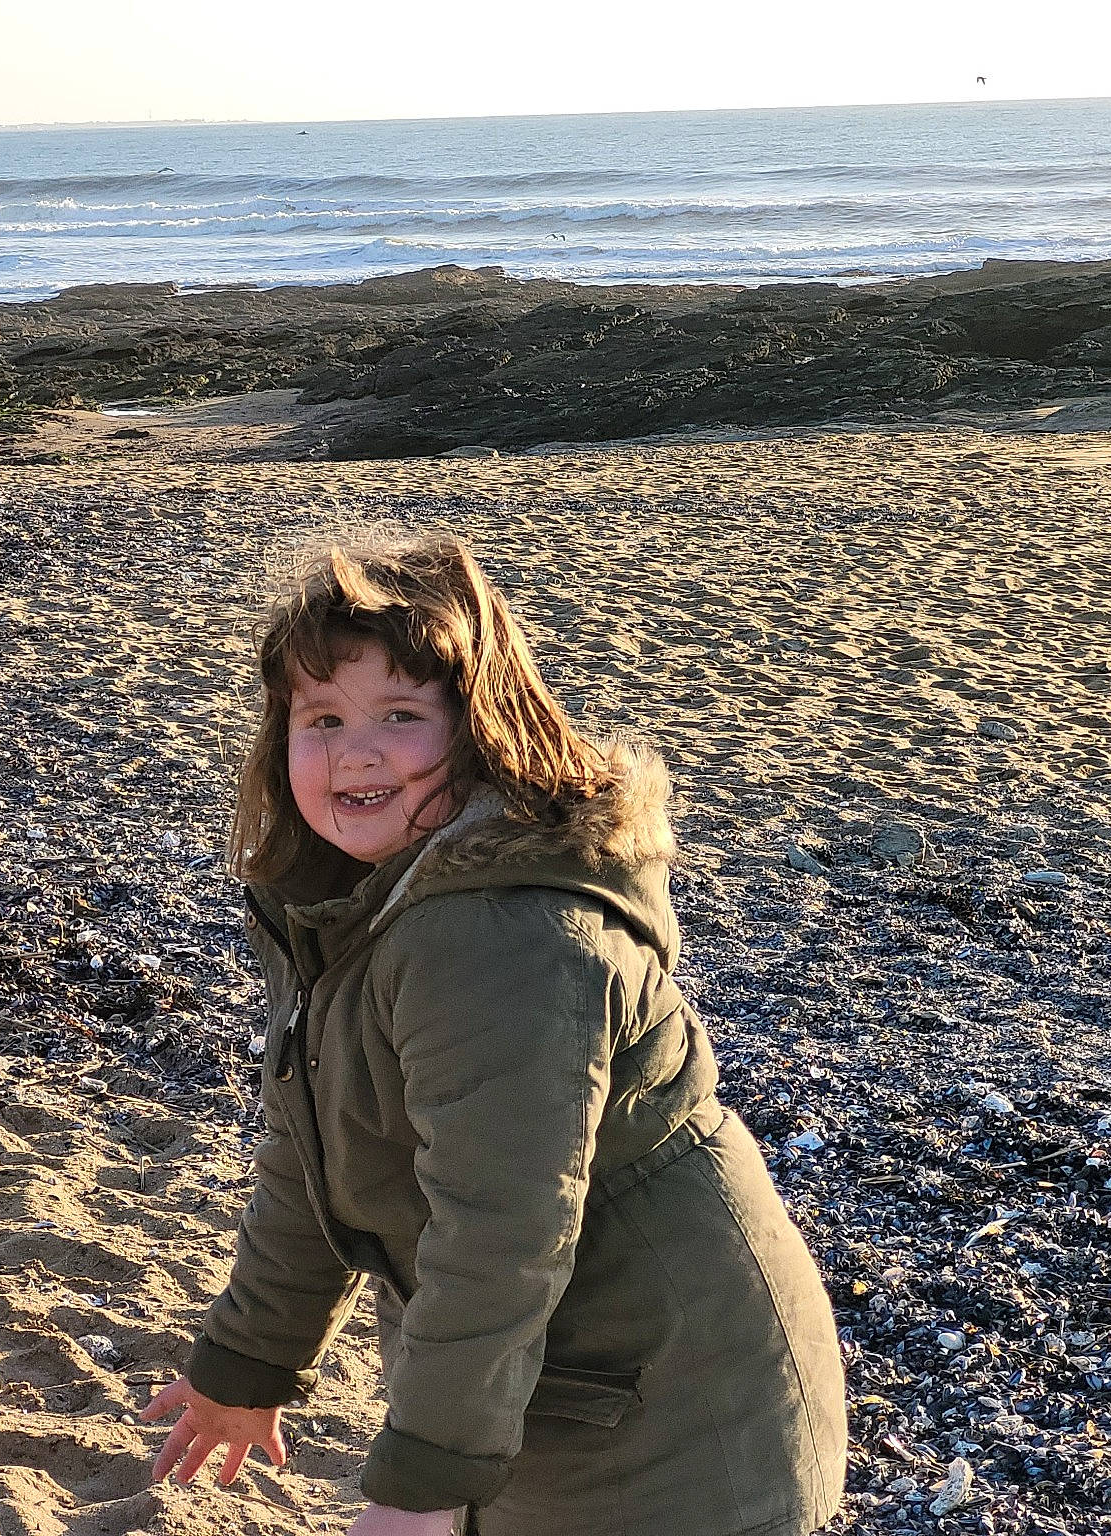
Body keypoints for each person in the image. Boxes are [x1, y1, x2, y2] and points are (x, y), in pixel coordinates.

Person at [140, 534, 847, 1536]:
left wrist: (422, 1485)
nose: (356, 751)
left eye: (401, 714)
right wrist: (247, 1364)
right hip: (550, 1385)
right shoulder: (347, 908)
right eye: (321, 717)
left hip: (671, 1407)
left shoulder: (496, 936)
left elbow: (500, 1230)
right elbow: (312, 1158)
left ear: (477, 730)